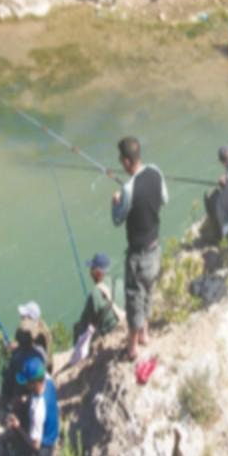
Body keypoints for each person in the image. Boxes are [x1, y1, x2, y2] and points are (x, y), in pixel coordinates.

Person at [111, 136, 168, 361]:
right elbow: (164, 199)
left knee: (135, 299)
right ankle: (145, 335)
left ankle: (132, 349)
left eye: (121, 160)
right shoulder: (156, 171)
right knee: (149, 292)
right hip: (155, 249)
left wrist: (115, 203)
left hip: (138, 255)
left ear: (126, 161)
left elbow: (117, 219)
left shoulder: (128, 188)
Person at [5, 355, 59, 456]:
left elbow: (36, 445)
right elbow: (37, 394)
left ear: (33, 383)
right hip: (52, 432)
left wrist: (17, 426)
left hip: (44, 449)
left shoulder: (37, 410)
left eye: (27, 382)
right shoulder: (47, 379)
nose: (24, 385)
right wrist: (25, 399)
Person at [72, 252, 125, 345]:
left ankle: (77, 354)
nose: (90, 272)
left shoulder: (95, 294)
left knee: (77, 327)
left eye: (92, 269)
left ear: (98, 273)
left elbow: (84, 322)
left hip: (109, 333)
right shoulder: (120, 282)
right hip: (124, 322)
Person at [17, 301, 54, 374]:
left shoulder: (34, 334)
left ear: (30, 318)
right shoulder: (42, 326)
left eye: (24, 316)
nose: (21, 317)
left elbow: (28, 349)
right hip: (47, 365)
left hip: (39, 369)